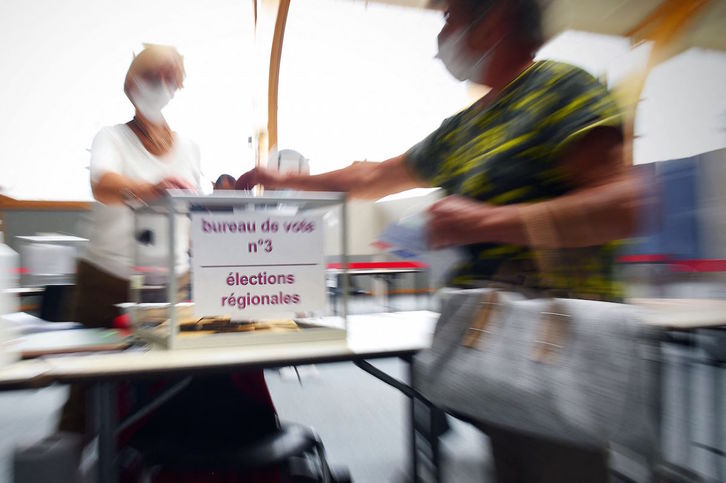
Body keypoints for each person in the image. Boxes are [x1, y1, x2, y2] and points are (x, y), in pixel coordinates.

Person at [237, 0, 641, 481]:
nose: (442, 32)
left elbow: (623, 205)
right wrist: (287, 180)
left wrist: (486, 222)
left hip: (555, 340)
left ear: (494, 18)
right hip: (497, 338)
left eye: (449, 16)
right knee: (514, 463)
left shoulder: (561, 88)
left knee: (556, 467)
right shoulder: (465, 127)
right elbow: (376, 175)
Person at [60, 44, 278, 480]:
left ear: (179, 84)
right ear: (131, 81)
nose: (159, 84)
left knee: (168, 382)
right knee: (87, 391)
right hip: (107, 279)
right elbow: (103, 185)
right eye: (150, 75)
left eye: (168, 76)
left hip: (171, 284)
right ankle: (67, 464)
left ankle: (149, 457)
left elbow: (189, 219)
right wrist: (150, 187)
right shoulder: (111, 137)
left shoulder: (190, 148)